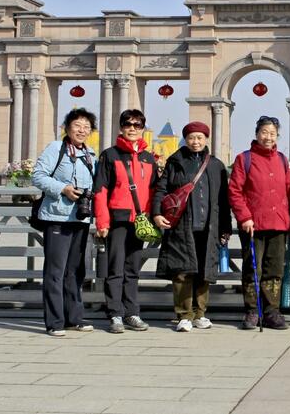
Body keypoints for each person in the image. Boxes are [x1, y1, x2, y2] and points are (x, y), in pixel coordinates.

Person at [151, 122, 230, 332]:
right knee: (182, 270)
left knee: (204, 270)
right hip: (181, 225)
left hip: (208, 227)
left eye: (200, 138)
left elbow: (224, 200)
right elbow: (161, 189)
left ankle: (200, 313)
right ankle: (184, 315)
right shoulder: (175, 161)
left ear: (206, 139)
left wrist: (225, 227)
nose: (196, 142)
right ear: (185, 139)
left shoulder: (216, 165)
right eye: (191, 138)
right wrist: (157, 213)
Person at [31, 108, 98, 337]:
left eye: (87, 127)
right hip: (57, 217)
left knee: (75, 271)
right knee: (55, 271)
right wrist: (63, 189)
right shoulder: (56, 148)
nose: (82, 130)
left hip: (80, 218)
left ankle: (74, 318)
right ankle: (54, 321)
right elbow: (38, 176)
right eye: (77, 125)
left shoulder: (90, 154)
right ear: (67, 128)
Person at [93, 108, 158, 334]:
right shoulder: (110, 155)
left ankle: (132, 312)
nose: (132, 128)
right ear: (121, 127)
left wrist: (154, 216)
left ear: (143, 129)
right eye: (128, 124)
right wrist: (102, 222)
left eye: (137, 125)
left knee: (132, 269)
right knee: (115, 268)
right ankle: (115, 314)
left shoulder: (149, 158)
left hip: (140, 222)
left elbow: (154, 190)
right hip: (117, 220)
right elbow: (100, 190)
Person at [228, 116, 290, 330]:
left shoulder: (282, 160)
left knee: (274, 270)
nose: (268, 137)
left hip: (279, 224)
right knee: (252, 269)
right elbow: (235, 191)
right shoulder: (244, 159)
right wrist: (244, 216)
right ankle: (252, 311)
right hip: (253, 225)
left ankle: (271, 311)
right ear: (257, 134)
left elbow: (289, 192)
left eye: (273, 133)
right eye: (264, 132)